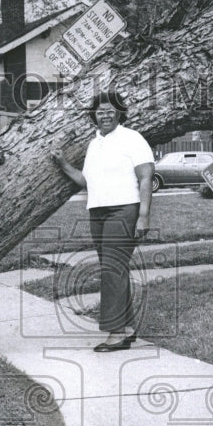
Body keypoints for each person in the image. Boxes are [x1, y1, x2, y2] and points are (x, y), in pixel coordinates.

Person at [50, 91, 155, 352]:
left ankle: (116, 333)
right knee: (114, 268)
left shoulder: (132, 138)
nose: (105, 115)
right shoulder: (94, 143)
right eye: (100, 111)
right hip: (97, 212)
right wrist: (63, 164)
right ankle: (127, 328)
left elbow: (145, 177)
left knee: (111, 269)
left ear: (120, 113)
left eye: (110, 110)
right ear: (93, 115)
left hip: (124, 210)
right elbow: (88, 181)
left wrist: (143, 216)